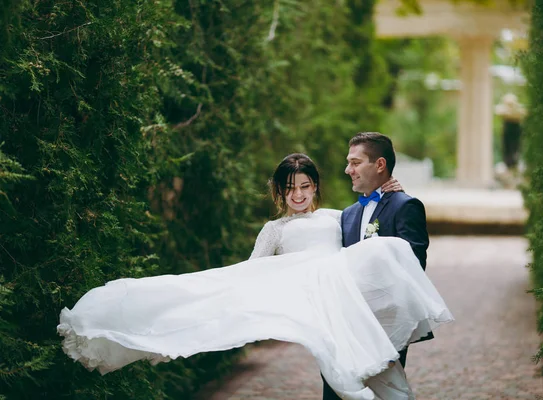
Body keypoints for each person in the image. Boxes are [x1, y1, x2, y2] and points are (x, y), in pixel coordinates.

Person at [58, 153, 453, 400]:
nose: (298, 195)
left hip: (345, 300)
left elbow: (369, 230)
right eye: (290, 189)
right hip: (315, 305)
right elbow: (251, 274)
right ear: (279, 192)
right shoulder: (275, 230)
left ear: (315, 186)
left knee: (376, 370)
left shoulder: (336, 217)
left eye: (304, 186)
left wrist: (389, 191)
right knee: (344, 375)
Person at [322, 132, 432, 400]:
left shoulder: (405, 206)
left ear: (380, 165)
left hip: (385, 326)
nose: (348, 169)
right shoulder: (348, 215)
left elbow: (413, 265)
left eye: (355, 162)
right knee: (336, 391)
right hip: (345, 324)